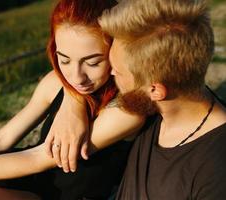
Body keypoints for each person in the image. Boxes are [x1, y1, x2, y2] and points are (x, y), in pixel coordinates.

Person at [0, 0, 144, 200]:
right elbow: (1, 139)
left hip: (61, 195)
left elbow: (38, 158)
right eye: (64, 59)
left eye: (93, 62)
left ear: (115, 51)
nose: (77, 77)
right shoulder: (56, 82)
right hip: (29, 179)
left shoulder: (127, 107)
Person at [97, 0, 226, 199]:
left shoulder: (215, 171)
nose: (110, 73)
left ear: (155, 90)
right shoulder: (155, 105)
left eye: (118, 71)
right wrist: (71, 108)